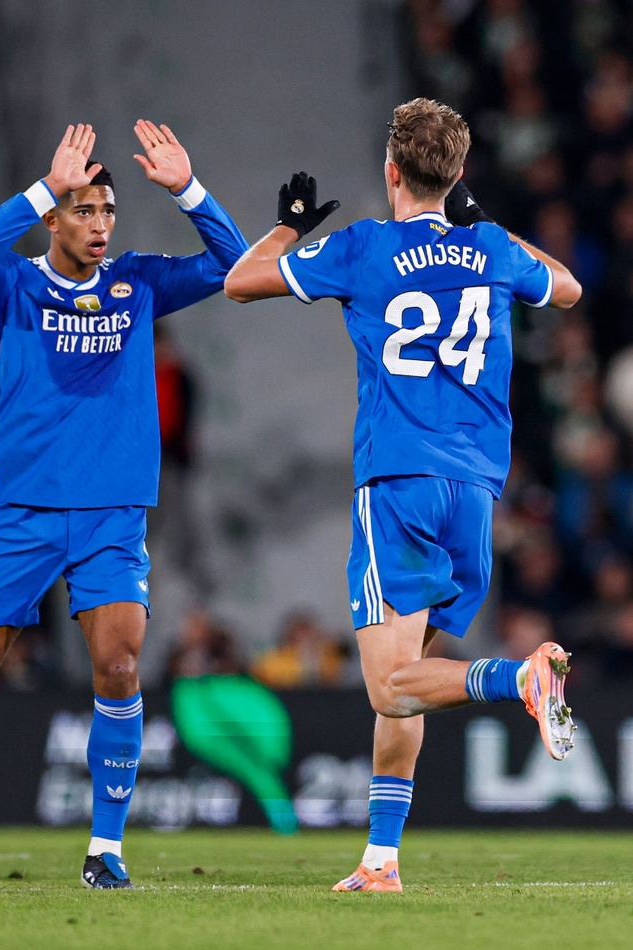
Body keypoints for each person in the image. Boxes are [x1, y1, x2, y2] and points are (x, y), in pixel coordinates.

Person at [0, 120, 248, 891]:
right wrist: (45, 182)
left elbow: (235, 266)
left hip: (113, 515)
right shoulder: (12, 288)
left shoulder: (136, 282)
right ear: (52, 218)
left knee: (120, 663)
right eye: (83, 210)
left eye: (108, 210)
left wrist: (188, 189)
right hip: (23, 514)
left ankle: (105, 848)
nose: (101, 224)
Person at [224, 97, 581, 893]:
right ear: (457, 174)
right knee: (408, 680)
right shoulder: (490, 246)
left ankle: (518, 679)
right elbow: (567, 289)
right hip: (475, 493)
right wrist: (485, 223)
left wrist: (287, 226)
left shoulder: (363, 248)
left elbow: (239, 283)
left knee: (389, 681)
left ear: (391, 171)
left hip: (398, 481)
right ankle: (380, 859)